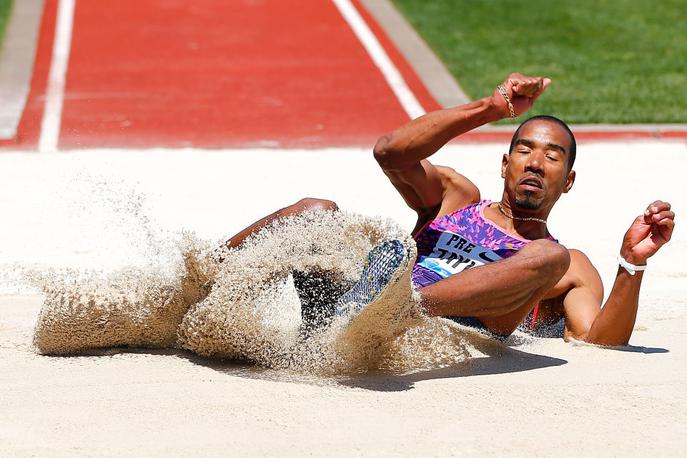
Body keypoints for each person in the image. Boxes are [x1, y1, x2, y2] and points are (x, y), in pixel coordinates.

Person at [224, 73, 675, 346]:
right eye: (524, 151)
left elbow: (598, 341)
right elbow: (390, 153)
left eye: (552, 157)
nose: (536, 162)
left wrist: (630, 265)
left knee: (548, 256)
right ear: (505, 163)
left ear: (568, 180)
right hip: (347, 311)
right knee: (316, 209)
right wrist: (491, 107)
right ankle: (201, 278)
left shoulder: (568, 264)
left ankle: (397, 305)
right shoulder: (456, 199)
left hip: (437, 329)